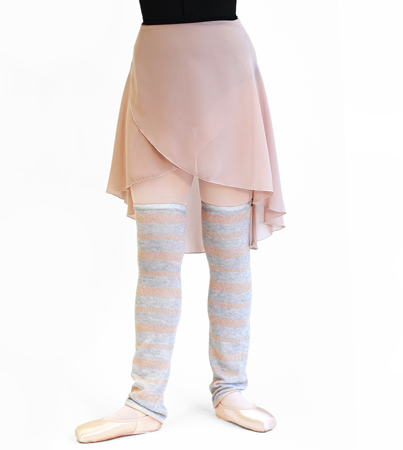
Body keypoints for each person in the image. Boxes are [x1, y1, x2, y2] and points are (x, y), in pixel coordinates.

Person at [75, 0, 286, 442]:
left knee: (229, 254)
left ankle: (230, 387)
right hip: (157, 76)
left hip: (227, 75)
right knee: (157, 257)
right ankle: (145, 400)